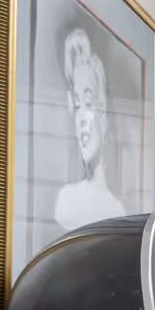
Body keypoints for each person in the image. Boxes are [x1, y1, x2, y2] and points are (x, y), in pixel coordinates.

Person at [52, 27, 127, 232]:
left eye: (87, 101)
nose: (81, 120)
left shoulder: (118, 212)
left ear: (104, 118)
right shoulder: (66, 201)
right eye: (77, 105)